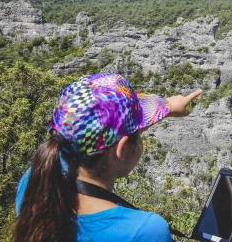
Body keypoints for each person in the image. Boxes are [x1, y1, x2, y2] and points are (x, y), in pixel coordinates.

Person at [13, 73, 202, 242]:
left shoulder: (36, 183)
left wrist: (166, 108)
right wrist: (162, 107)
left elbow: (82, 133)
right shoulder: (144, 230)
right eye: (139, 134)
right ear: (122, 149)